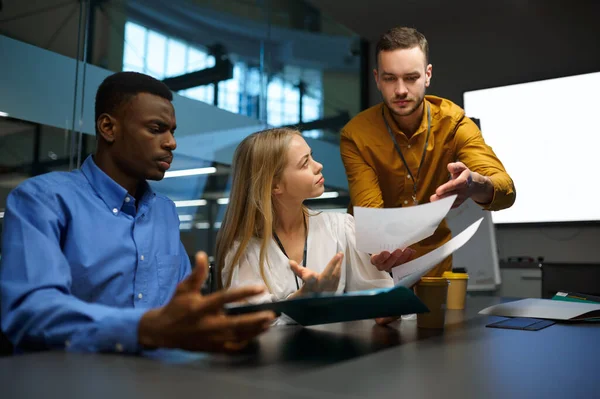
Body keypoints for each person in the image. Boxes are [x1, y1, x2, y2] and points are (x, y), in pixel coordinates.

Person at [0, 71, 275, 354]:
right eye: (156, 129)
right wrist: (143, 328)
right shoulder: (44, 200)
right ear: (108, 127)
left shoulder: (164, 212)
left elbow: (180, 308)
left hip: (163, 379)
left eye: (172, 131)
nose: (171, 143)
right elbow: (29, 312)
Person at [340, 27, 516, 277]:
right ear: (377, 78)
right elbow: (371, 213)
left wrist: (473, 185)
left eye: (411, 77)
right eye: (390, 78)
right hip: (374, 264)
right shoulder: (356, 134)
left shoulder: (453, 122)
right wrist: (380, 249)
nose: (400, 90)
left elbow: (506, 190)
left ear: (427, 75)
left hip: (432, 267)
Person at [215, 128, 415, 325]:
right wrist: (302, 299)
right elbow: (253, 323)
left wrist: (389, 307)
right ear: (275, 186)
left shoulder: (340, 227)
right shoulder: (243, 250)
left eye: (312, 156)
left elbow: (380, 296)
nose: (318, 165)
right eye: (304, 164)